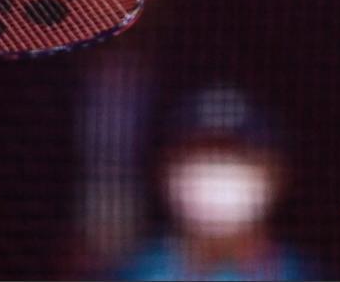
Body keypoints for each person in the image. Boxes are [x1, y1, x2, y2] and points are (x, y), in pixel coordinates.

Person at [115, 85, 316, 281]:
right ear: (164, 175)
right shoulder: (132, 273)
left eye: (234, 158)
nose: (215, 176)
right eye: (198, 158)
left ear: (276, 176)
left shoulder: (304, 275)